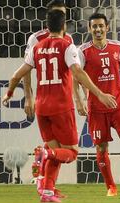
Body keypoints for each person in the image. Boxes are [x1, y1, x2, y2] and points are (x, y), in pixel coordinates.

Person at [2, 10, 117, 202]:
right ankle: (44, 153)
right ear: (64, 27)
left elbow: (16, 75)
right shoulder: (67, 46)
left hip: (41, 108)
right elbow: (79, 73)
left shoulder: (37, 47)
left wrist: (10, 93)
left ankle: (47, 191)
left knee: (56, 152)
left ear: (47, 27)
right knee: (71, 153)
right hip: (61, 107)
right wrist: (99, 94)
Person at [73, 13, 120, 197]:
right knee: (101, 147)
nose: (98, 29)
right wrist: (79, 100)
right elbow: (76, 76)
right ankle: (111, 186)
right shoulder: (83, 51)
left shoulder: (117, 46)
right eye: (94, 26)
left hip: (118, 104)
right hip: (96, 108)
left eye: (100, 26)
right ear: (89, 29)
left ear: (107, 27)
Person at [22, 1, 76, 199]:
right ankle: (46, 184)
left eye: (63, 14)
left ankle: (47, 188)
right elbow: (26, 69)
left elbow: (72, 73)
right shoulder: (35, 39)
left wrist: (77, 99)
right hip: (51, 103)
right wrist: (28, 96)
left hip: (60, 100)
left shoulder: (69, 39)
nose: (62, 18)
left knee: (56, 148)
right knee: (65, 150)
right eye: (58, 14)